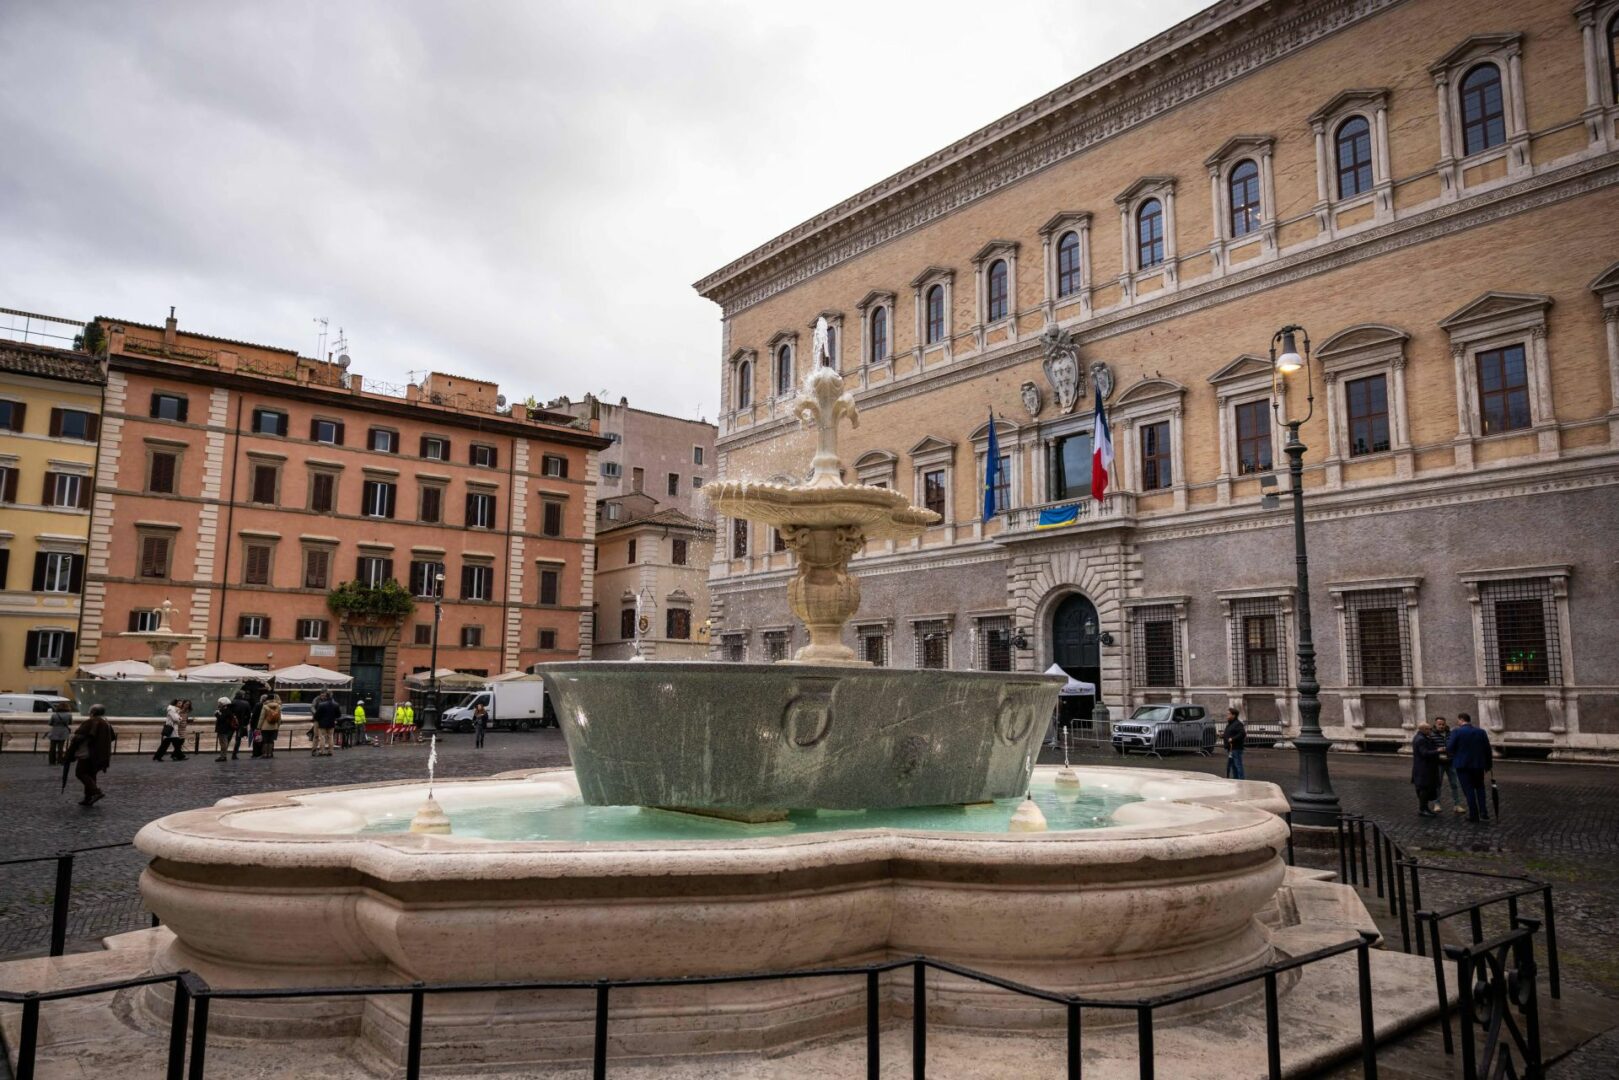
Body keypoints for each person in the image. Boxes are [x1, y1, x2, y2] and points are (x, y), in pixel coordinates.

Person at [1445, 712, 1494, 822]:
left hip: (1463, 765)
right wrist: (1488, 765)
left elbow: (1450, 747)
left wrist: (1453, 755)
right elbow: (1487, 749)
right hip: (1478, 765)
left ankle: (1474, 814)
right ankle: (1483, 812)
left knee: (1469, 789)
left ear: (1461, 720)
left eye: (1458, 720)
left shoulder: (1456, 731)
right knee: (1480, 788)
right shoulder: (1481, 732)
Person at [65, 706, 116, 806]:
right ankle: (88, 798)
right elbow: (112, 737)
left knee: (80, 772)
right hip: (99, 754)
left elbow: (80, 736)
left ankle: (96, 792)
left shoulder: (91, 722)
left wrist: (72, 746)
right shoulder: (106, 723)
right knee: (91, 774)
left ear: (93, 712)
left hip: (88, 752)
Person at [1430, 717, 1464, 814]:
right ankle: (1437, 804)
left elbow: (1456, 746)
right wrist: (1437, 752)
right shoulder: (1432, 735)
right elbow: (1430, 749)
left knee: (1454, 784)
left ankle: (1457, 805)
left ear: (1445, 724)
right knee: (1438, 784)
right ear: (1435, 724)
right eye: (1439, 724)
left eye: (1443, 724)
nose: (1441, 726)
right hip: (1438, 763)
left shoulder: (1451, 734)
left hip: (1450, 763)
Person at [1410, 722, 1442, 817]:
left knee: (1425, 789)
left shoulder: (1422, 737)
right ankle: (1423, 809)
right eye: (1428, 729)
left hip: (1424, 768)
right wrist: (1438, 751)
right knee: (1424, 789)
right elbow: (1424, 753)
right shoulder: (1421, 739)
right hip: (1424, 769)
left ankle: (1425, 808)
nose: (1430, 731)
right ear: (1423, 730)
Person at [312, 691, 339, 757]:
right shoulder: (317, 699)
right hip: (327, 722)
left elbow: (317, 714)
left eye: (324, 695)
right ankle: (318, 750)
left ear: (326, 696)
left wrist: (317, 717)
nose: (323, 696)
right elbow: (312, 707)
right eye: (322, 694)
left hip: (322, 722)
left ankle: (322, 751)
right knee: (325, 736)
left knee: (323, 737)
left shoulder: (324, 704)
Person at [1222, 706, 1246, 780]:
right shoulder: (1230, 724)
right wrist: (1223, 736)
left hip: (1236, 747)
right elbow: (1229, 733)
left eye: (1229, 714)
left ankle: (1241, 779)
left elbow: (1242, 734)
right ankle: (1236, 779)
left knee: (1237, 764)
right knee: (1233, 765)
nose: (1227, 715)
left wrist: (1232, 739)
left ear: (1233, 715)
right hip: (1231, 748)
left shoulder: (1238, 724)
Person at [47, 701, 73, 766]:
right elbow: (70, 723)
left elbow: (50, 723)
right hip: (63, 732)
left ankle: (52, 761)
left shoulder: (54, 715)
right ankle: (60, 760)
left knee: (52, 747)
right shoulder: (69, 715)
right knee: (60, 748)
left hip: (54, 731)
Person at [229, 690, 253, 759]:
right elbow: (248, 715)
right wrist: (246, 724)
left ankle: (223, 753)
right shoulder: (246, 703)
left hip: (231, 723)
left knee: (228, 738)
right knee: (238, 739)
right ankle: (234, 754)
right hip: (241, 724)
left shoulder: (232, 702)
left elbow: (228, 713)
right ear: (242, 695)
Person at [257, 694, 283, 758]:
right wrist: (278, 726)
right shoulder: (278, 706)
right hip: (274, 727)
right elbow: (279, 718)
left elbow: (261, 717)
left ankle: (265, 754)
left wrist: (259, 727)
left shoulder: (265, 706)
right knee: (271, 741)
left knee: (265, 740)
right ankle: (270, 754)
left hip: (265, 727)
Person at [213, 696, 235, 761]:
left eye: (219, 703)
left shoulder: (226, 710)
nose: (218, 704)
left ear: (223, 703)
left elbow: (222, 719)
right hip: (224, 728)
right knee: (223, 742)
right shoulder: (227, 710)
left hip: (223, 729)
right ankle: (222, 756)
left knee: (223, 743)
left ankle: (223, 756)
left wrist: (217, 714)